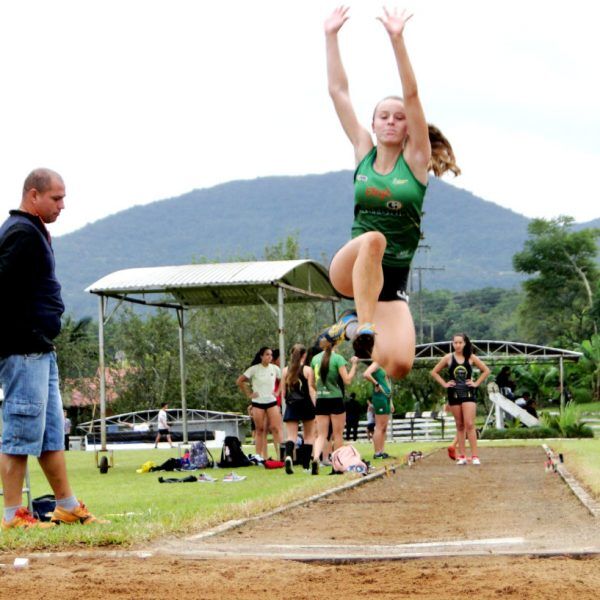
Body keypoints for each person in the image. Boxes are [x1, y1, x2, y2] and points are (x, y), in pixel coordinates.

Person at [319, 6, 460, 378]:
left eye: (399, 118)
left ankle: (350, 325)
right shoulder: (363, 151)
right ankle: (364, 324)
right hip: (351, 267)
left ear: (409, 128)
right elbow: (338, 91)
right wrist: (330, 36)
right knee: (375, 238)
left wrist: (397, 40)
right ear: (373, 124)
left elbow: (411, 95)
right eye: (385, 116)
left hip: (390, 279)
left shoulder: (415, 162)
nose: (393, 121)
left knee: (399, 365)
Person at [0, 168, 105, 529]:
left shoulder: (33, 232)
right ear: (33, 196)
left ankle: (67, 504)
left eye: (63, 198)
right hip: (22, 348)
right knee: (20, 429)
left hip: (40, 348)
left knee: (49, 432)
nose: (62, 205)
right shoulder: (20, 233)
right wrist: (21, 331)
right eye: (56, 198)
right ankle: (13, 514)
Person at [430, 333, 490, 465]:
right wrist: (445, 384)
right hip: (454, 394)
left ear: (465, 343)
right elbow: (434, 372)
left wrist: (476, 383)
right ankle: (462, 456)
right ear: (452, 344)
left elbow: (486, 370)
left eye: (460, 343)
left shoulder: (471, 357)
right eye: (455, 343)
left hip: (468, 394)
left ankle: (475, 456)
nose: (457, 345)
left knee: (469, 424)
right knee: (460, 425)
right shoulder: (448, 358)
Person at [309, 337, 358, 474]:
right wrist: (354, 365)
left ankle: (316, 458)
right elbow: (347, 380)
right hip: (335, 398)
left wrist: (320, 390)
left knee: (321, 435)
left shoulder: (315, 359)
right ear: (335, 344)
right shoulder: (338, 359)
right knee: (337, 435)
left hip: (321, 399)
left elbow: (311, 383)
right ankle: (337, 465)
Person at [236, 347, 282, 460]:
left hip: (271, 401)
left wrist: (278, 392)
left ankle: (281, 454)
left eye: (271, 355)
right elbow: (240, 381)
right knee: (260, 429)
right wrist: (249, 394)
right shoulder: (254, 369)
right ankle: (258, 456)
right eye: (267, 354)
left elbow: (283, 380)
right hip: (258, 403)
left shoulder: (275, 368)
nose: (269, 357)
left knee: (276, 428)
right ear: (261, 356)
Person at [281, 344, 316, 474]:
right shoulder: (307, 370)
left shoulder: (285, 371)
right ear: (304, 355)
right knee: (309, 436)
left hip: (292, 404)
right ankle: (306, 466)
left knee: (291, 436)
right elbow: (311, 390)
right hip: (306, 404)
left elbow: (283, 392)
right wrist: (315, 407)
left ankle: (289, 456)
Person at [363, 361, 394, 458]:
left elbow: (387, 382)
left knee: (384, 427)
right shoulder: (376, 363)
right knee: (379, 427)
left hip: (386, 397)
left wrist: (391, 402)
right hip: (379, 397)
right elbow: (366, 374)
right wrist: (376, 384)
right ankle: (377, 453)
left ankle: (381, 451)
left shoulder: (384, 365)